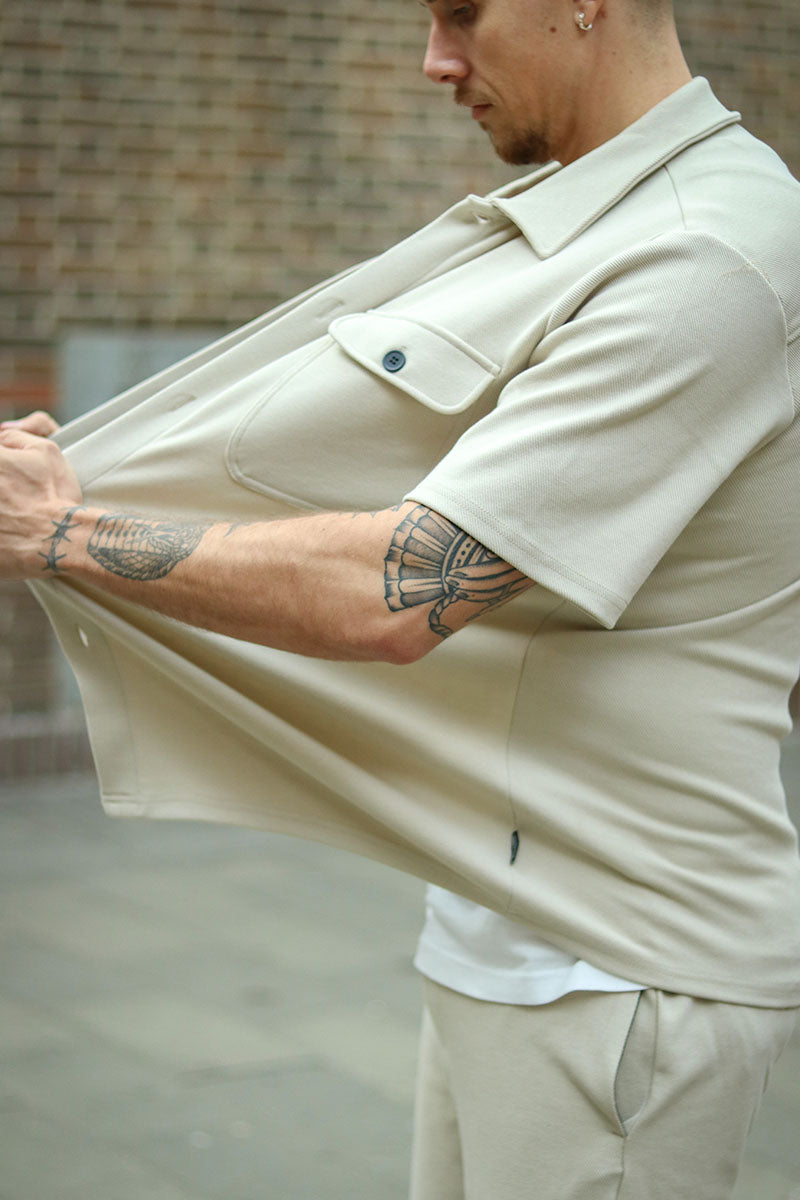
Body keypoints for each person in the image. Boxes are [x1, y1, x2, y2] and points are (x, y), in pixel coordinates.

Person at [2, 0, 800, 1195]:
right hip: (508, 915)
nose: (434, 60)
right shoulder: (597, 218)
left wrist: (62, 531)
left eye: (462, 13)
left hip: (620, 970)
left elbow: (397, 589)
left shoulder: (706, 253)